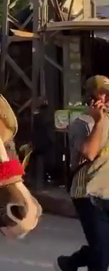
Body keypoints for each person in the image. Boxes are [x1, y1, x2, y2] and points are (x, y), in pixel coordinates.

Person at [56, 75, 109, 271]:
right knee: (101, 253)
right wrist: (100, 120)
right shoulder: (82, 123)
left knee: (102, 247)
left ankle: (70, 263)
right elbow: (89, 152)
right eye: (103, 94)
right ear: (92, 97)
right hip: (88, 193)